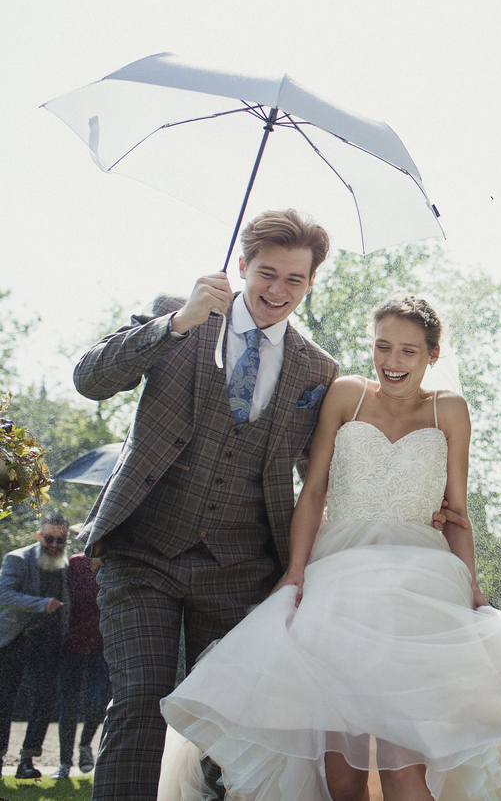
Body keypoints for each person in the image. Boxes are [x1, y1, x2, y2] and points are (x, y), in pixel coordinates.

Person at [158, 292, 501, 801]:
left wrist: (471, 586)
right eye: (383, 347)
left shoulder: (450, 410)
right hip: (340, 578)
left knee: (402, 765)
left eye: (409, 351)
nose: (393, 362)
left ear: (433, 356)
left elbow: (457, 511)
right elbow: (314, 490)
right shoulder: (346, 395)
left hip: (420, 582)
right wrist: (295, 572)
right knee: (340, 776)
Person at [73, 210, 340, 801]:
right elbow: (89, 379)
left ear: (311, 283)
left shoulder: (317, 368)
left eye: (294, 280)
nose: (277, 290)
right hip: (143, 551)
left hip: (243, 568)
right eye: (266, 273)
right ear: (242, 266)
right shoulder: (182, 313)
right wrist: (175, 323)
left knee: (228, 728)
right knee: (141, 701)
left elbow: (320, 479)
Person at [0, 513, 72, 780]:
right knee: (4, 700)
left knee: (44, 699)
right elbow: (4, 595)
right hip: (15, 639)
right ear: (39, 536)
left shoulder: (65, 565)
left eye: (61, 540)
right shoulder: (17, 559)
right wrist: (40, 604)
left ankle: (27, 760)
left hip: (48, 642)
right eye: (49, 539)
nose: (54, 545)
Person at [57, 546, 108, 778]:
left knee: (97, 702)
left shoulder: (113, 565)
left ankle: (85, 745)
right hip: (71, 644)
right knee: (69, 706)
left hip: (101, 644)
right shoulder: (73, 564)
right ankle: (64, 762)